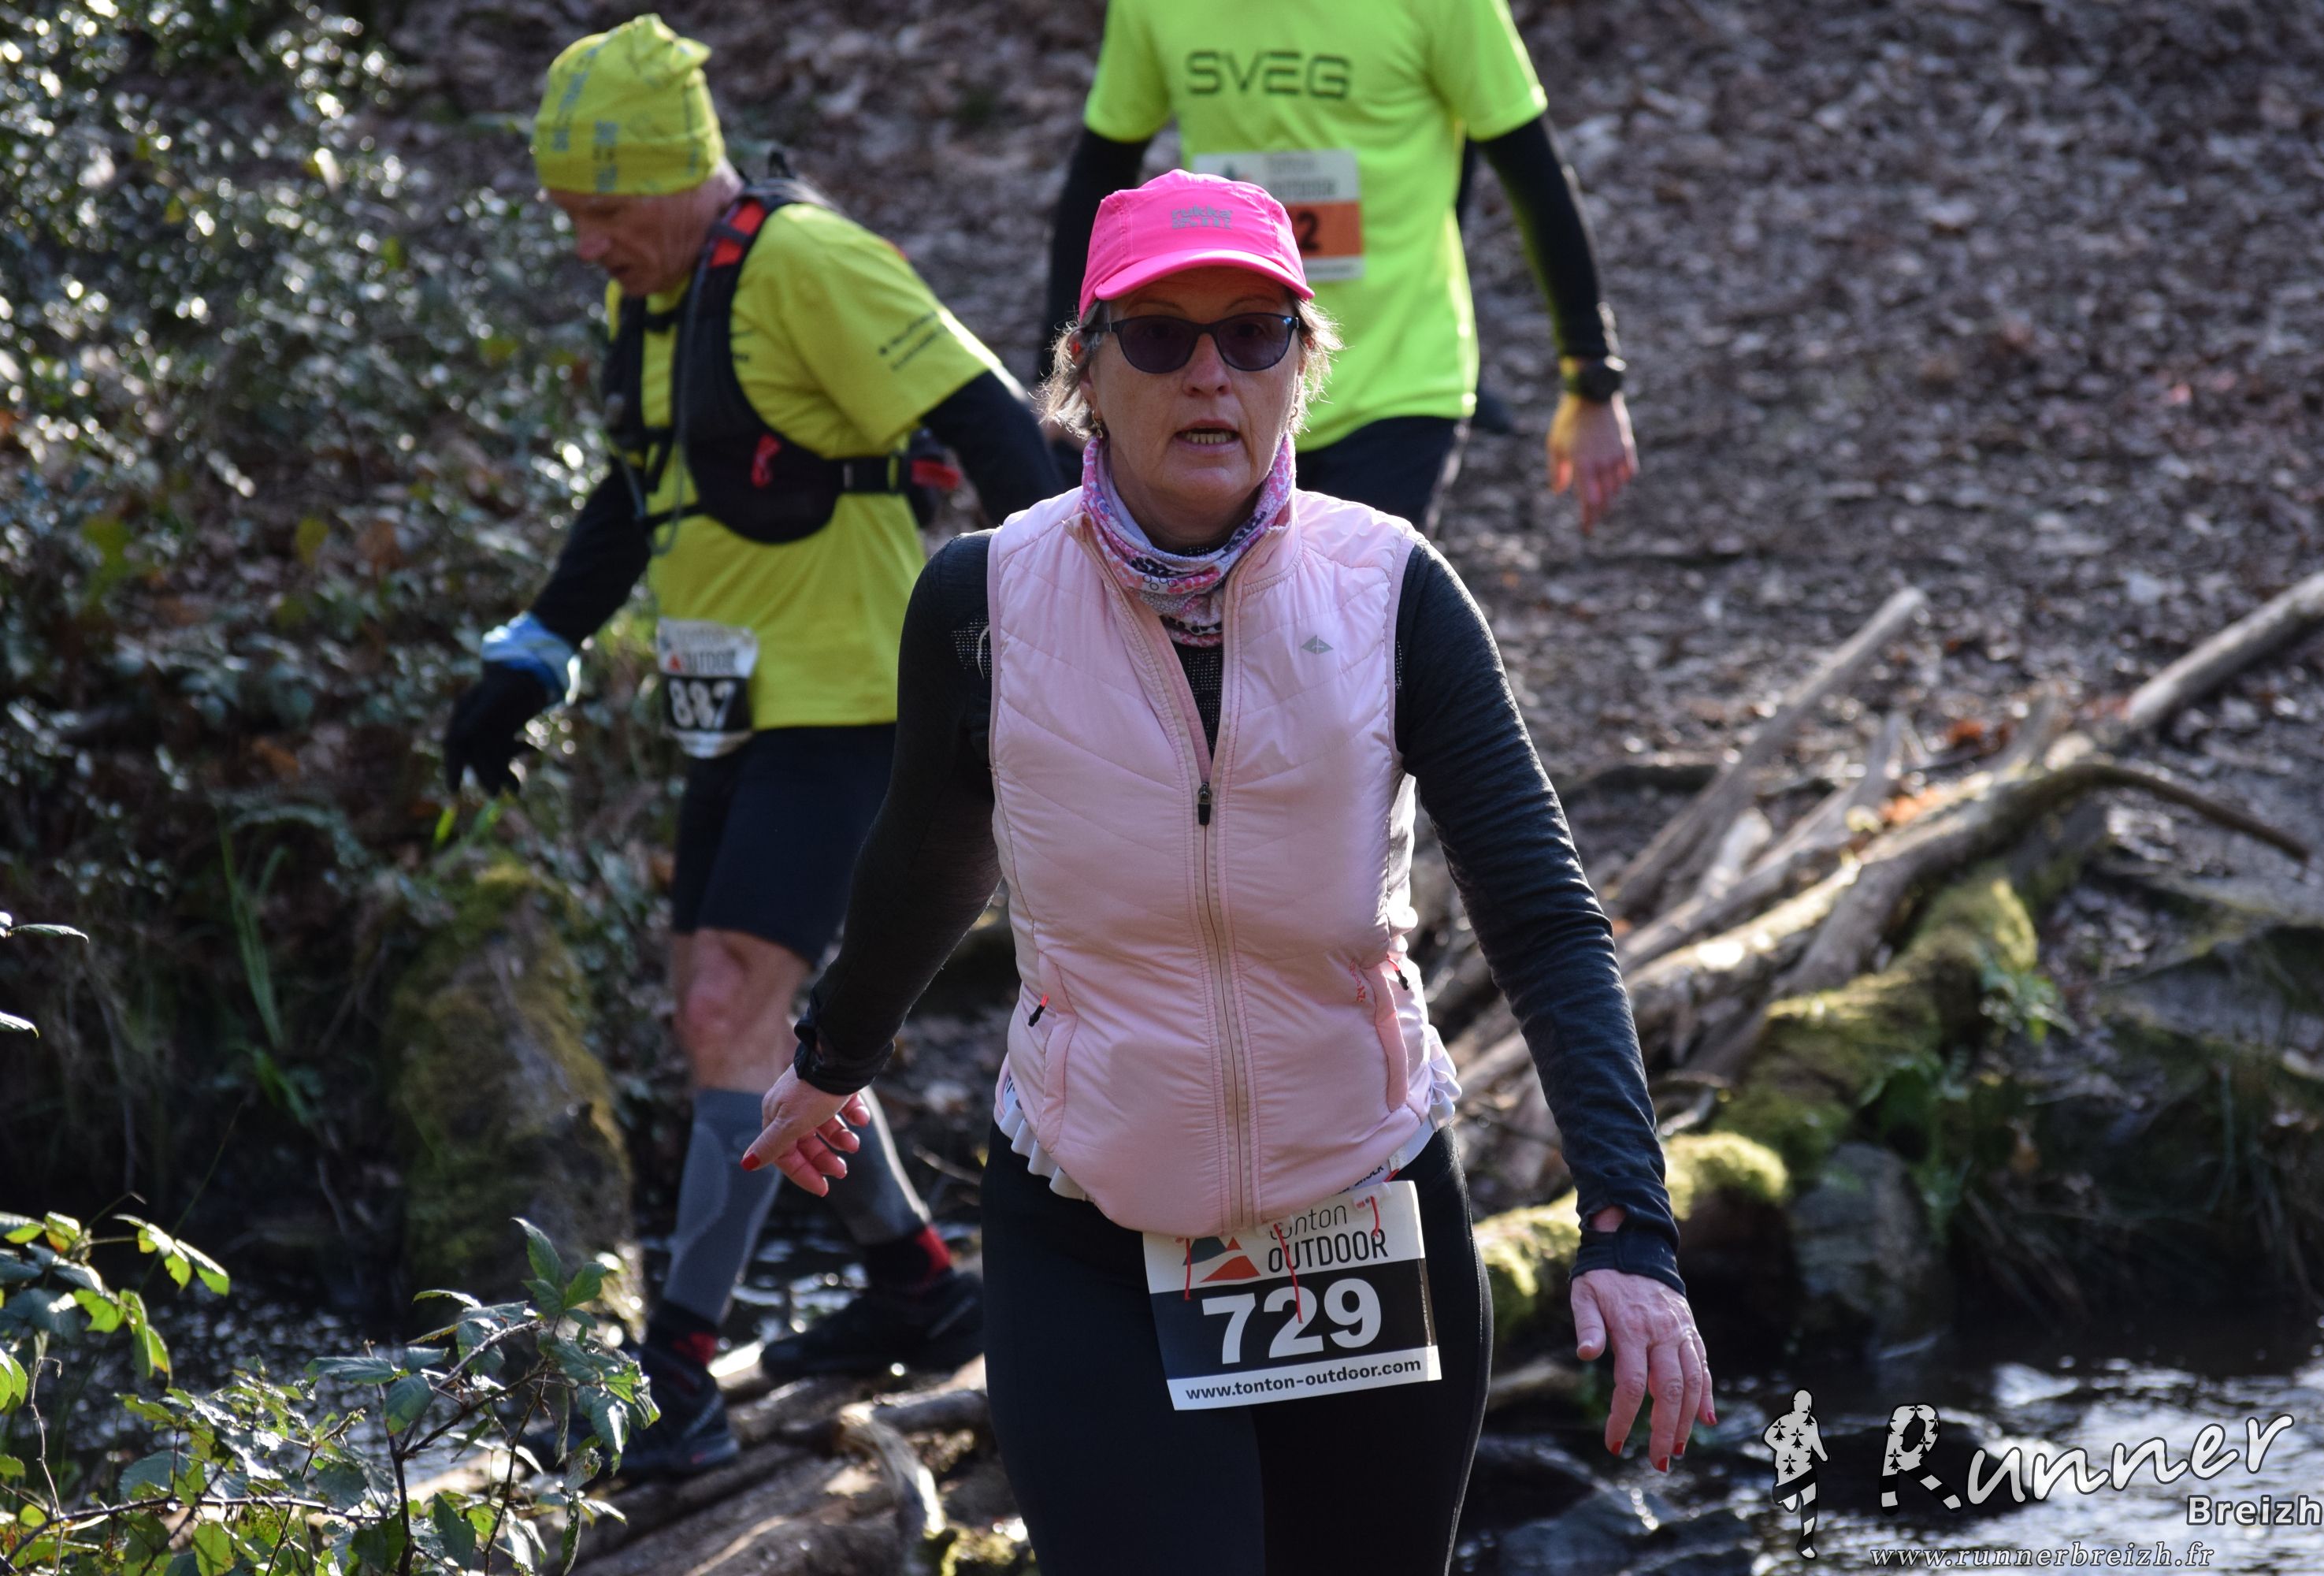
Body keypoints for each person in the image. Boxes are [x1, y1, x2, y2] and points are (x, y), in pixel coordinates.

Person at [748, 169, 1708, 1574]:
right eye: (1160, 336)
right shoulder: (983, 600)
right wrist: (835, 1056)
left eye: (1255, 335)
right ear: (1084, 372)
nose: (1210, 375)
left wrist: (1626, 1226)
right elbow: (929, 849)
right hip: (1088, 1226)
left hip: (1363, 1218)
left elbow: (1544, 918)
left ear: (1299, 371)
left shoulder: (1391, 590)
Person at [440, 14, 1060, 1478]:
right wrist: (535, 649)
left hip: (861, 704)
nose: (585, 242)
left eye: (604, 211)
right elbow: (638, 491)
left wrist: (1067, 631)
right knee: (724, 1019)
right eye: (567, 215)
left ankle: (677, 1376)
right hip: (731, 714)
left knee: (731, 1009)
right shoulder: (656, 302)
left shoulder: (809, 265)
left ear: (678, 173)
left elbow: (996, 425)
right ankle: (916, 1281)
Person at [1038, 0, 1639, 534]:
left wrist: (1590, 375)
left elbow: (1533, 174)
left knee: (1347, 617)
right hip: (1223, 377)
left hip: (1395, 380)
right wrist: (1062, 380)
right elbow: (1101, 170)